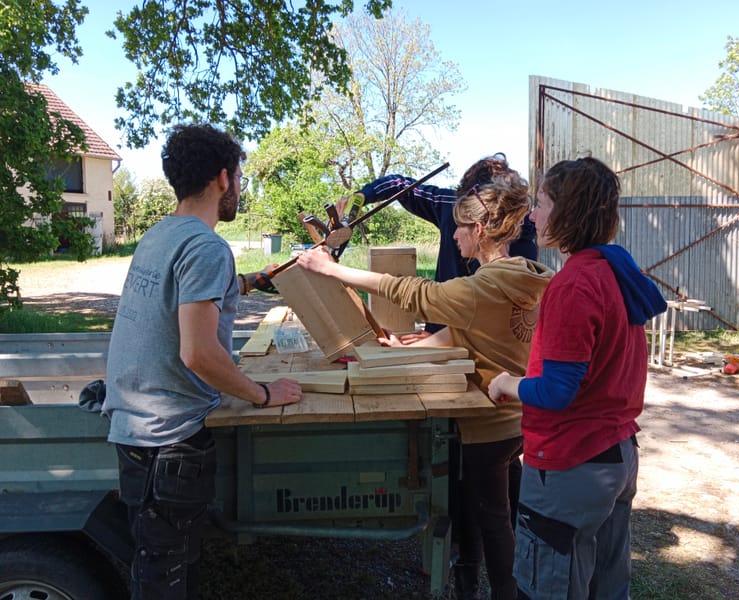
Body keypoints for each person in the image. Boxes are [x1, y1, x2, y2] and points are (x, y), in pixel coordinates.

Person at [298, 172, 553, 600]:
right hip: (519, 419)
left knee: (493, 522)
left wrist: (332, 269)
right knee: (496, 514)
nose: (452, 235)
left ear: (479, 230)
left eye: (458, 227)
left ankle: (506, 592)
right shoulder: (526, 275)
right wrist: (413, 345)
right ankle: (473, 582)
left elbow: (411, 291)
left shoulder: (480, 287)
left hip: (487, 425)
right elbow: (470, 331)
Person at [102, 123, 303, 600]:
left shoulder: (161, 235)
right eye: (239, 177)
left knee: (164, 568)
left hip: (138, 432)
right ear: (223, 178)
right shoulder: (207, 246)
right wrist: (263, 394)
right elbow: (197, 353)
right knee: (166, 581)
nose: (239, 188)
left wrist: (251, 280)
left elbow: (187, 298)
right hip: (168, 443)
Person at [488, 157, 667, 599]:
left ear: (569, 211)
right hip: (616, 455)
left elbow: (557, 391)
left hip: (572, 463)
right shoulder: (616, 271)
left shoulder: (574, 285)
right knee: (606, 586)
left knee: (551, 587)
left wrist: (507, 383)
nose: (532, 216)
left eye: (541, 204)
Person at [338, 152, 537, 338]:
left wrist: (333, 269)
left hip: (481, 346)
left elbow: (498, 318)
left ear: (480, 225)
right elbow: (400, 186)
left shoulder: (519, 248)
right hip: (449, 337)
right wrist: (362, 196)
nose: (455, 234)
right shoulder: (452, 203)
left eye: (462, 222)